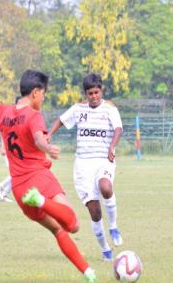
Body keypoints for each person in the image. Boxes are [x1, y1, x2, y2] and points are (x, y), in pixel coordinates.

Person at [0, 70, 96, 282]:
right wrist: (48, 147)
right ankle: (43, 201)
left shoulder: (5, 113)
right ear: (35, 92)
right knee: (73, 224)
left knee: (57, 230)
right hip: (38, 179)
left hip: (19, 190)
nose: (44, 98)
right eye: (43, 93)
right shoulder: (33, 115)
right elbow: (38, 138)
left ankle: (88, 272)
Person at [48, 73, 123, 261]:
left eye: (97, 92)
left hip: (103, 159)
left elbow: (118, 129)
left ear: (101, 90)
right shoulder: (78, 109)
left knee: (106, 187)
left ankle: (113, 226)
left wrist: (112, 146)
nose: (94, 97)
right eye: (90, 93)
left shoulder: (109, 109)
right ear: (86, 94)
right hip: (82, 165)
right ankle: (105, 249)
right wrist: (48, 134)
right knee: (95, 211)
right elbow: (61, 120)